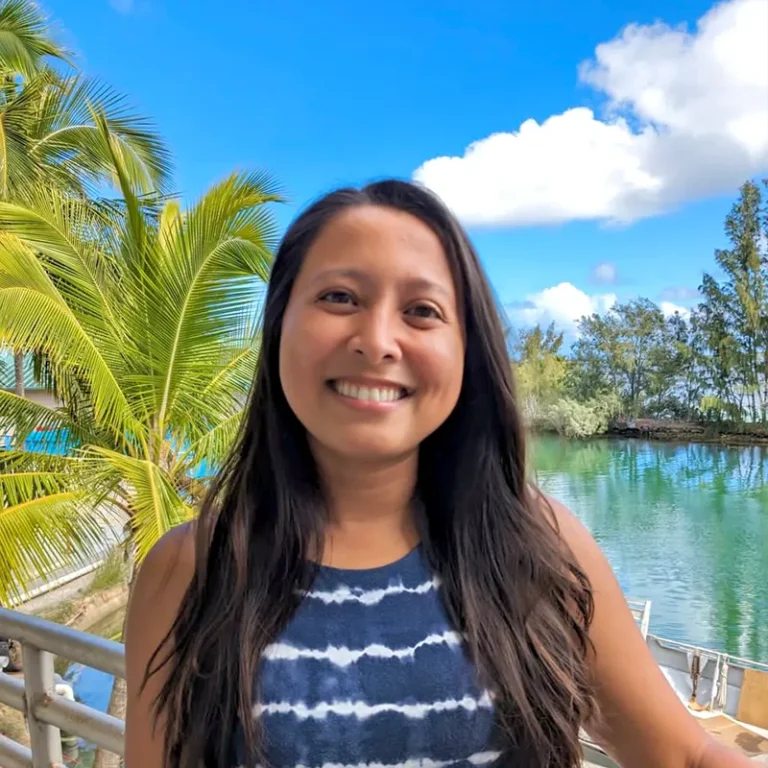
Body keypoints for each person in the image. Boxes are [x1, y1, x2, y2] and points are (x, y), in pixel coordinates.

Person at [124, 180, 752, 768]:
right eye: (339, 297)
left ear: (466, 349)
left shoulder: (536, 547)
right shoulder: (191, 572)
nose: (377, 341)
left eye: (421, 310)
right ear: (279, 324)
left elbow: (686, 755)